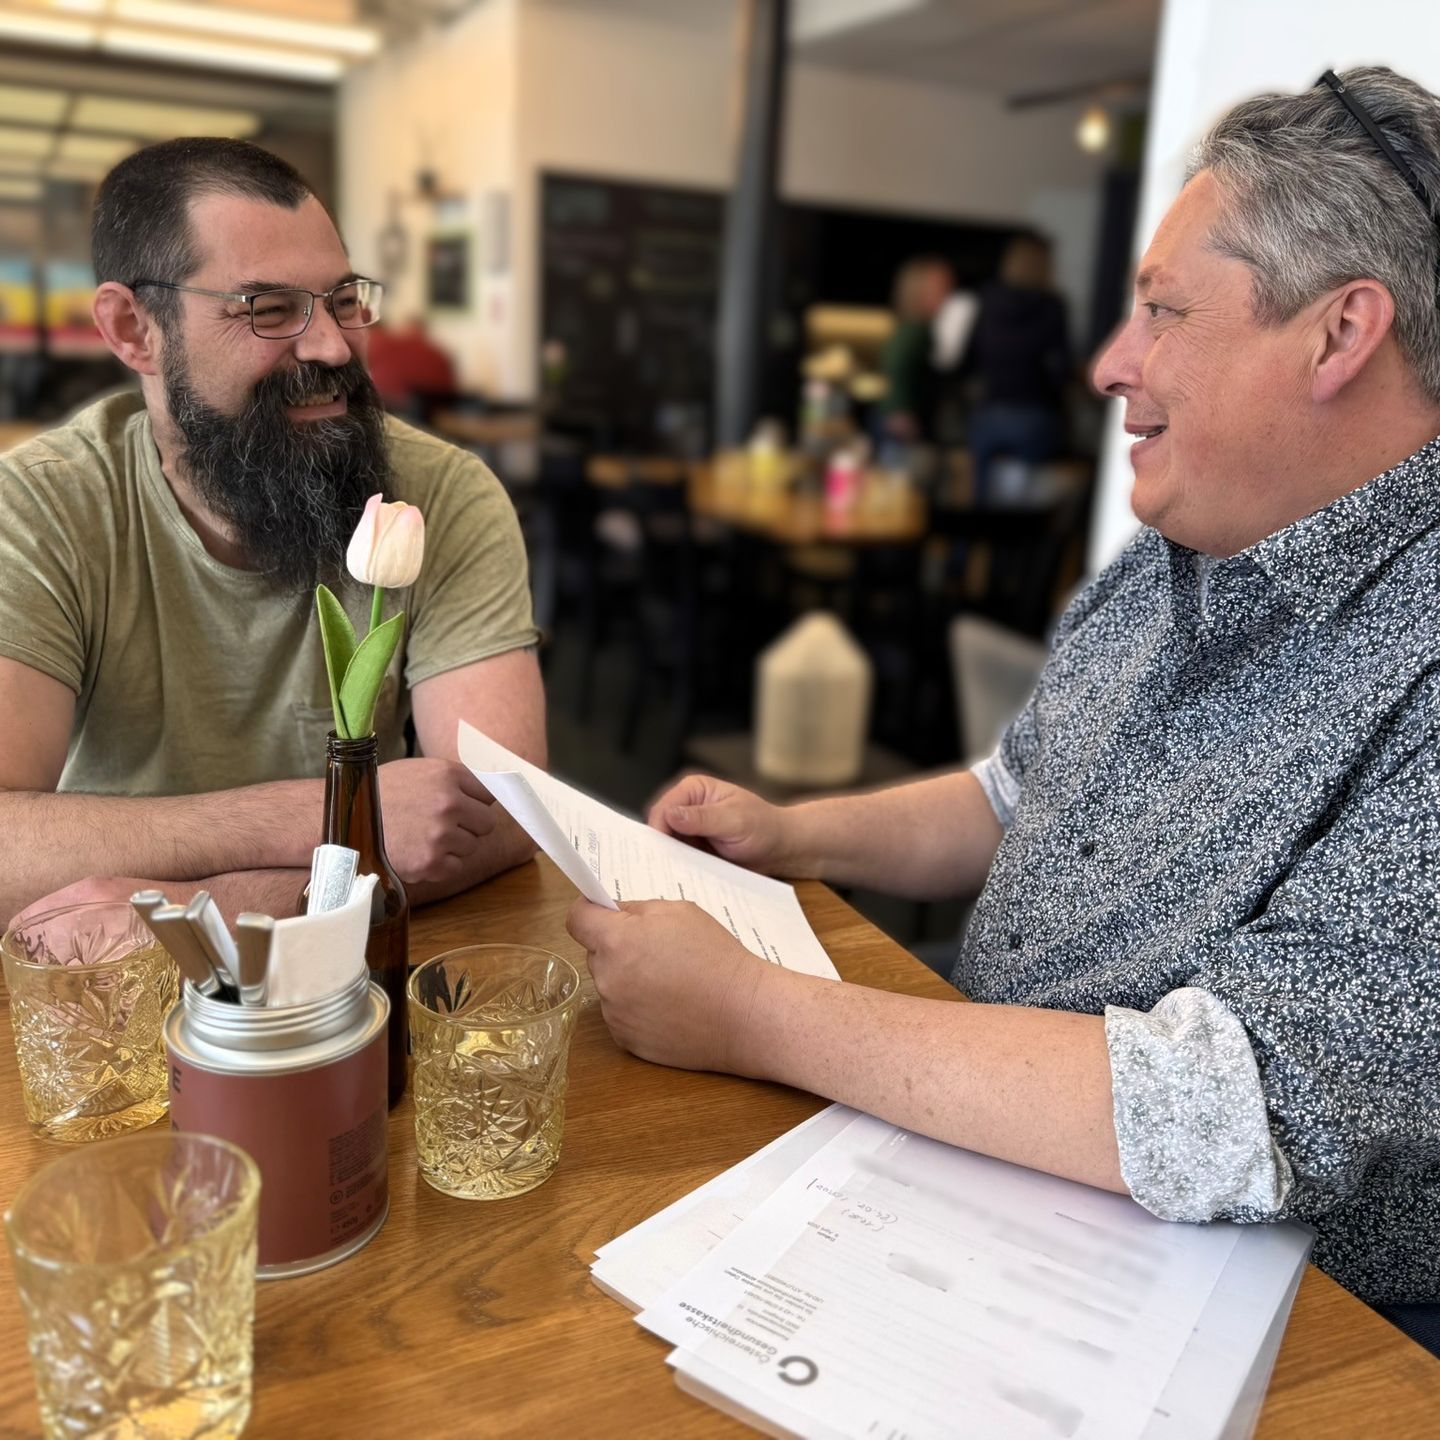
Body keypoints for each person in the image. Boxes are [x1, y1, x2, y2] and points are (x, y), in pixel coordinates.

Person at [566, 66, 1440, 1345]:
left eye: (1163, 311)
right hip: (985, 1169)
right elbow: (1018, 792)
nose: (1110, 363)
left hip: (1276, 1321)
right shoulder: (1182, 546)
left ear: (1339, 334)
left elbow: (1232, 1114)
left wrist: (751, 1012)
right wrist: (797, 835)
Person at [0, 138, 544, 925]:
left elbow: (508, 814)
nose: (332, 345)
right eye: (270, 309)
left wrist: (208, 907)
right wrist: (322, 814)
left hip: (335, 980)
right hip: (110, 988)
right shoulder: (43, 510)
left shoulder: (441, 495)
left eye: (343, 299)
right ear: (133, 330)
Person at [964, 232, 1070, 499]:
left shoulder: (986, 300)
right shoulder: (1051, 306)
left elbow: (971, 355)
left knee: (979, 500)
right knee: (1021, 506)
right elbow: (1060, 365)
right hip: (1033, 413)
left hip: (989, 411)